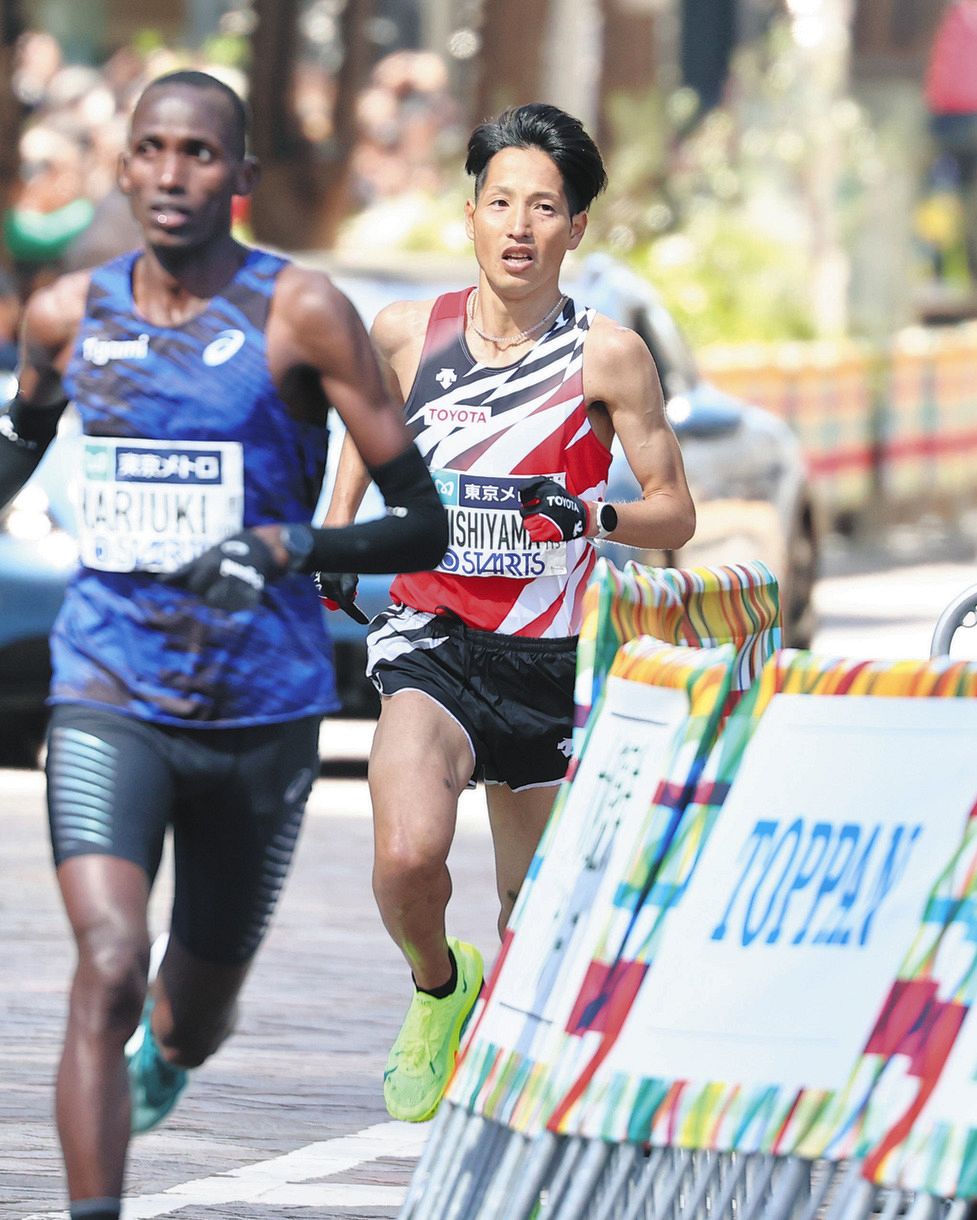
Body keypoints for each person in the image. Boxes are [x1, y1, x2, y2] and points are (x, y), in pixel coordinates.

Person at [1, 70, 446, 1220]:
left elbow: (420, 520)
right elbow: (18, 448)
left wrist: (290, 545)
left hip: (262, 703)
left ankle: (176, 1043)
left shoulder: (298, 312)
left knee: (189, 1005)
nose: (170, 172)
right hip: (110, 681)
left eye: (199, 153)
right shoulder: (67, 314)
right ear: (124, 165)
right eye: (150, 148)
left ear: (239, 177)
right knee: (104, 963)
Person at [320, 102, 696, 1125]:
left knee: (533, 918)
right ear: (471, 212)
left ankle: (509, 1098)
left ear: (576, 226)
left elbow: (673, 509)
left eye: (543, 207)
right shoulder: (408, 333)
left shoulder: (606, 357)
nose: (518, 226)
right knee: (404, 854)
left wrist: (590, 508)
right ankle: (439, 987)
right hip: (430, 640)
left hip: (549, 661)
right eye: (499, 202)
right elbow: (362, 420)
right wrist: (335, 527)